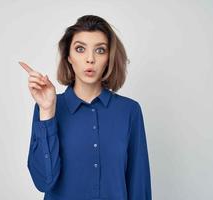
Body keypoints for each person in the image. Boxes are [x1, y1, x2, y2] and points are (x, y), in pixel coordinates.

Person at [20, 14, 152, 200]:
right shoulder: (46, 109)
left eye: (100, 50)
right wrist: (48, 111)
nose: (90, 59)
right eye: (80, 49)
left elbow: (139, 184)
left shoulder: (129, 111)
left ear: (109, 58)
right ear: (69, 57)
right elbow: (43, 182)